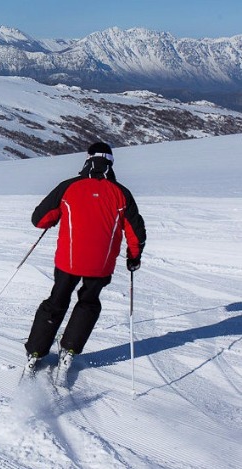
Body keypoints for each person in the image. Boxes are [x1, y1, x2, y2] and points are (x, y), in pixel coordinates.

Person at [24, 142, 146, 376]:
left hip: (68, 261)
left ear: (87, 159)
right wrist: (134, 256)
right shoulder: (122, 193)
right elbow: (135, 232)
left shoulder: (69, 187)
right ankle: (69, 350)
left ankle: (36, 351)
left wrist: (57, 218)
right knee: (88, 303)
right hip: (101, 265)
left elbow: (40, 220)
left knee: (56, 301)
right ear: (110, 162)